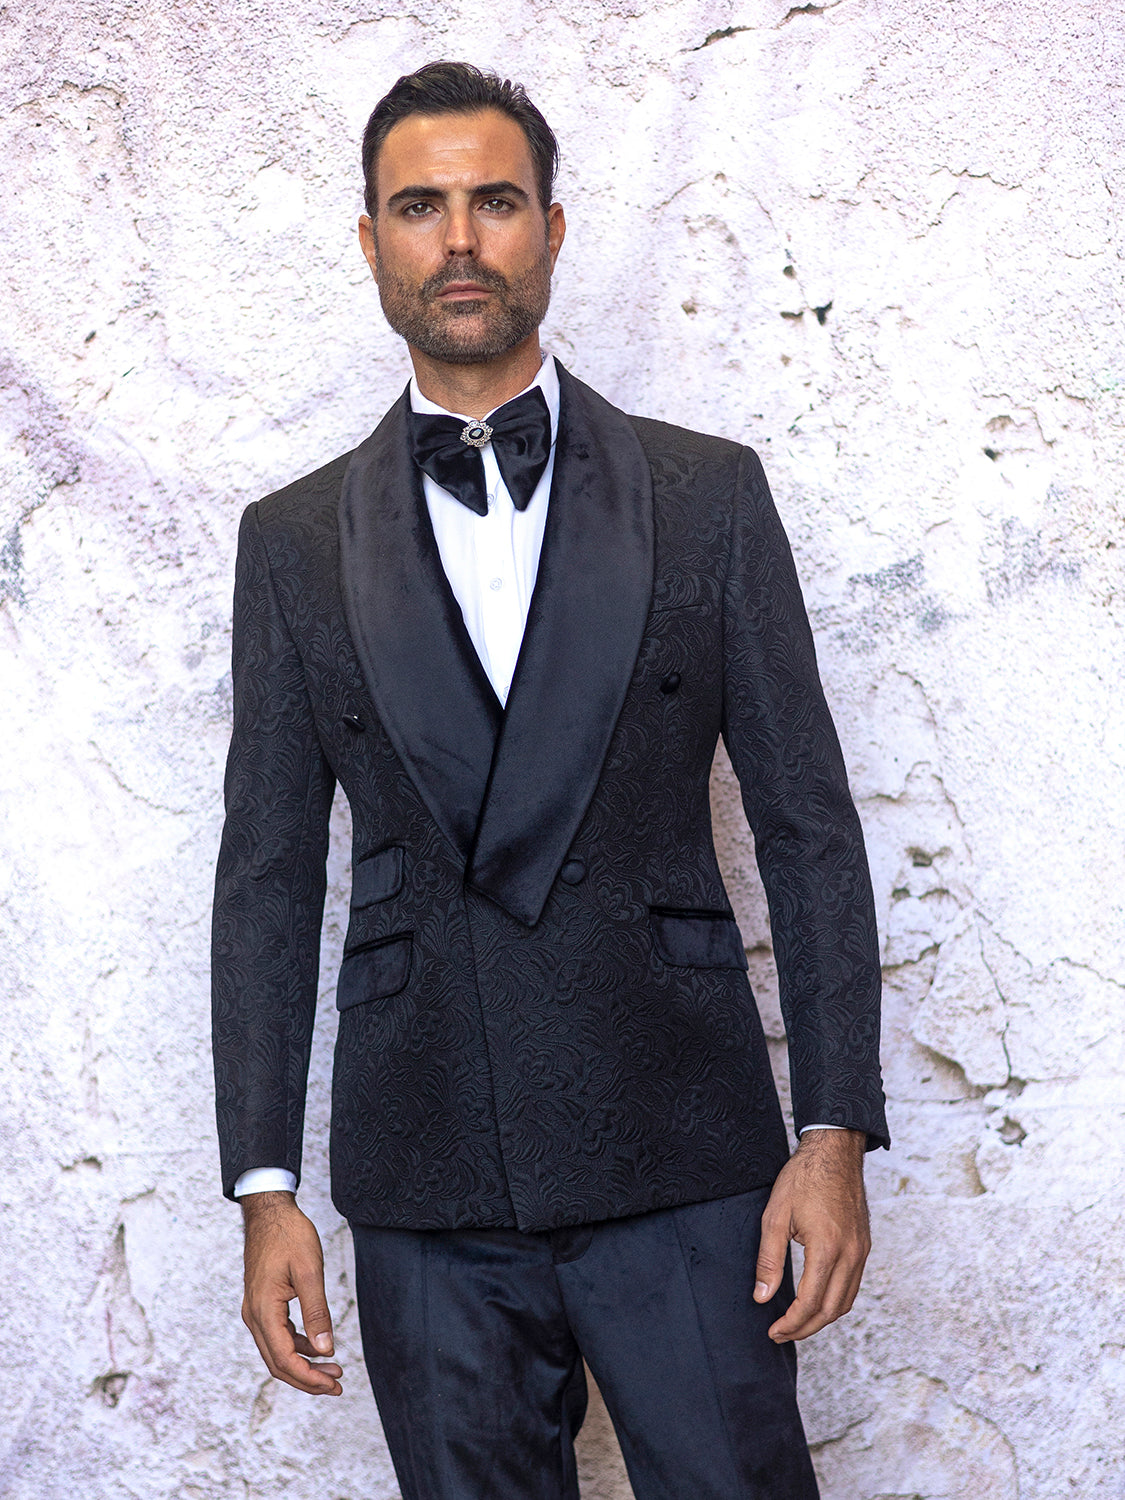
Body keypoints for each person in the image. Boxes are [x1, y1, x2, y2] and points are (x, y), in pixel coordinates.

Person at [212, 60, 889, 1500]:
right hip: (425, 1161)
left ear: (552, 229)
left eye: (494, 202)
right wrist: (263, 1183)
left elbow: (809, 832)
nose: (458, 240)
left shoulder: (707, 495)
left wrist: (831, 1134)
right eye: (419, 206)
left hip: (690, 1152)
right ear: (370, 241)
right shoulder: (291, 540)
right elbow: (265, 874)